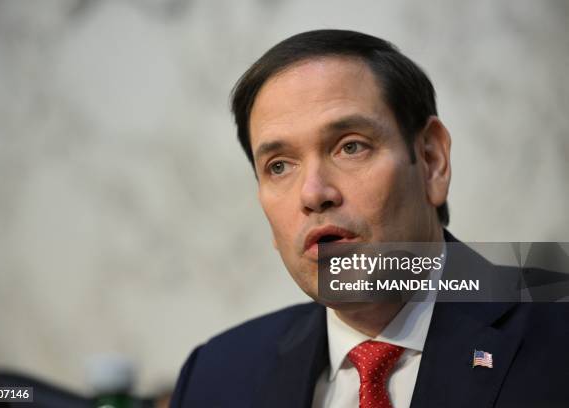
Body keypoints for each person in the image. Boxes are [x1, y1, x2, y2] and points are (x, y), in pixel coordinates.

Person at [169, 30, 569, 408]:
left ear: (431, 161)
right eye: (279, 167)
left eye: (350, 147)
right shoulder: (216, 376)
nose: (312, 194)